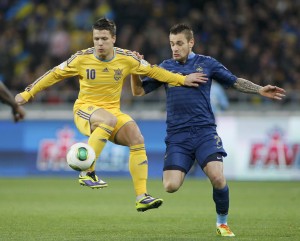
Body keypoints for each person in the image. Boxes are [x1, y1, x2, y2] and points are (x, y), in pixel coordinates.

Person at [15, 18, 206, 212]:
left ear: (113, 39)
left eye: (104, 38)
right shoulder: (81, 58)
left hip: (112, 112)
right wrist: (28, 93)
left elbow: (155, 72)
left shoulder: (126, 58)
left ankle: (142, 196)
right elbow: (53, 74)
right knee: (109, 119)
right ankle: (87, 172)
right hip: (85, 109)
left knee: (136, 137)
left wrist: (183, 79)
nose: (99, 43)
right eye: (96, 38)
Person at [131, 23, 285, 233]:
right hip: (178, 136)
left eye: (179, 43)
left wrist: (260, 90)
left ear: (191, 42)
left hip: (204, 132)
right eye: (171, 44)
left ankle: (222, 222)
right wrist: (133, 70)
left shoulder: (207, 63)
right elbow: (138, 91)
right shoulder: (165, 67)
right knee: (170, 186)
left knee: (217, 177)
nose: (175, 48)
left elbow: (234, 82)